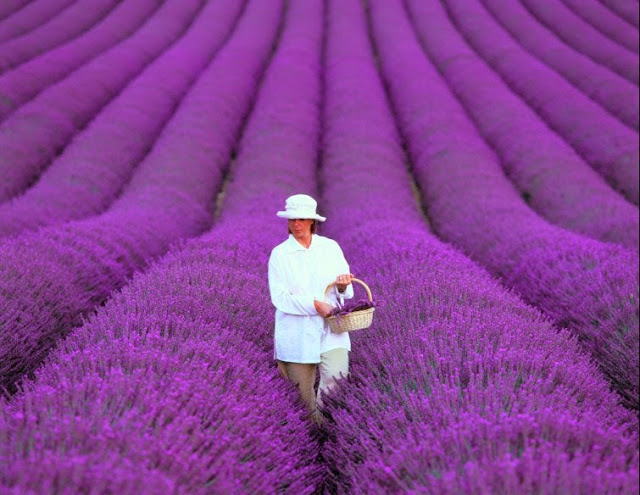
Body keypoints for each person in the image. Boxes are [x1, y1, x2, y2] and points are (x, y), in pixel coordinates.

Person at [268, 194, 354, 424]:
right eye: (292, 219)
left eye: (302, 219)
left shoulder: (330, 248)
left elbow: (347, 292)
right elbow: (280, 298)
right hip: (296, 333)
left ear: (312, 222)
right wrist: (315, 305)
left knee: (336, 385)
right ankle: (310, 443)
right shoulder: (280, 254)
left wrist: (344, 286)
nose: (296, 224)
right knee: (302, 401)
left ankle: (329, 437)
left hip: (332, 330)